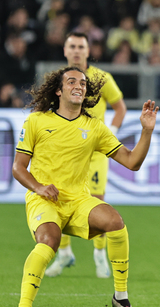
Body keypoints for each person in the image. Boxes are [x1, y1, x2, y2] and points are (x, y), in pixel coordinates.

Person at [10, 66, 158, 307]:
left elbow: (133, 162)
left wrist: (146, 130)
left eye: (83, 83)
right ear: (58, 90)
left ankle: (121, 297)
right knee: (49, 242)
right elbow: (18, 168)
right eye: (71, 82)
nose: (79, 85)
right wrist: (39, 187)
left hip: (78, 201)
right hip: (44, 200)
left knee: (115, 221)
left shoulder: (94, 127)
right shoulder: (36, 121)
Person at [45, 32, 127, 279]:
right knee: (59, 200)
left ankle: (99, 255)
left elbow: (120, 108)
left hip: (94, 152)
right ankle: (65, 254)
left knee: (98, 201)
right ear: (65, 50)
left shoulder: (102, 78)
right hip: (66, 152)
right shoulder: (59, 79)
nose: (77, 51)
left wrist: (108, 136)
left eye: (81, 46)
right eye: (72, 46)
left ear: (88, 51)